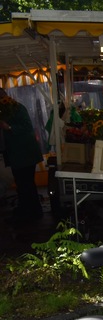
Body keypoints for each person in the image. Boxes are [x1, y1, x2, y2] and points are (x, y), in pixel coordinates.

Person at [0, 88, 44, 224]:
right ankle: (26, 209)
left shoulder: (17, 108)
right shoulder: (8, 109)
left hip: (25, 154)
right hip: (18, 154)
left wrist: (9, 127)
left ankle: (31, 213)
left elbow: (26, 127)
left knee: (26, 184)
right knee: (23, 183)